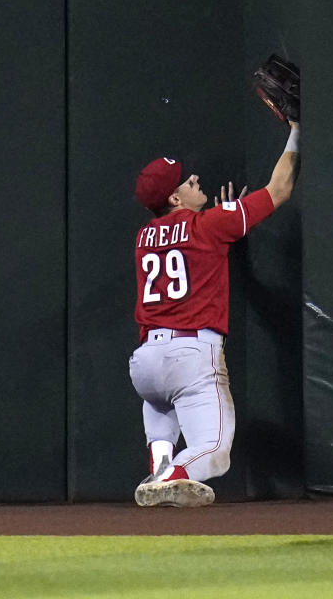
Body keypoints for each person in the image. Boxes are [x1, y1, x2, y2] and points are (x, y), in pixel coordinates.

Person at [129, 120, 300, 507]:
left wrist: (226, 213)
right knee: (215, 452)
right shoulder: (210, 225)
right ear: (174, 199)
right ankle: (170, 477)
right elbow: (280, 189)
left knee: (162, 403)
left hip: (146, 364)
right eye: (185, 183)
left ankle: (159, 463)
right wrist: (296, 130)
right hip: (190, 355)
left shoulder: (144, 238)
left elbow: (188, 247)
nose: (193, 179)